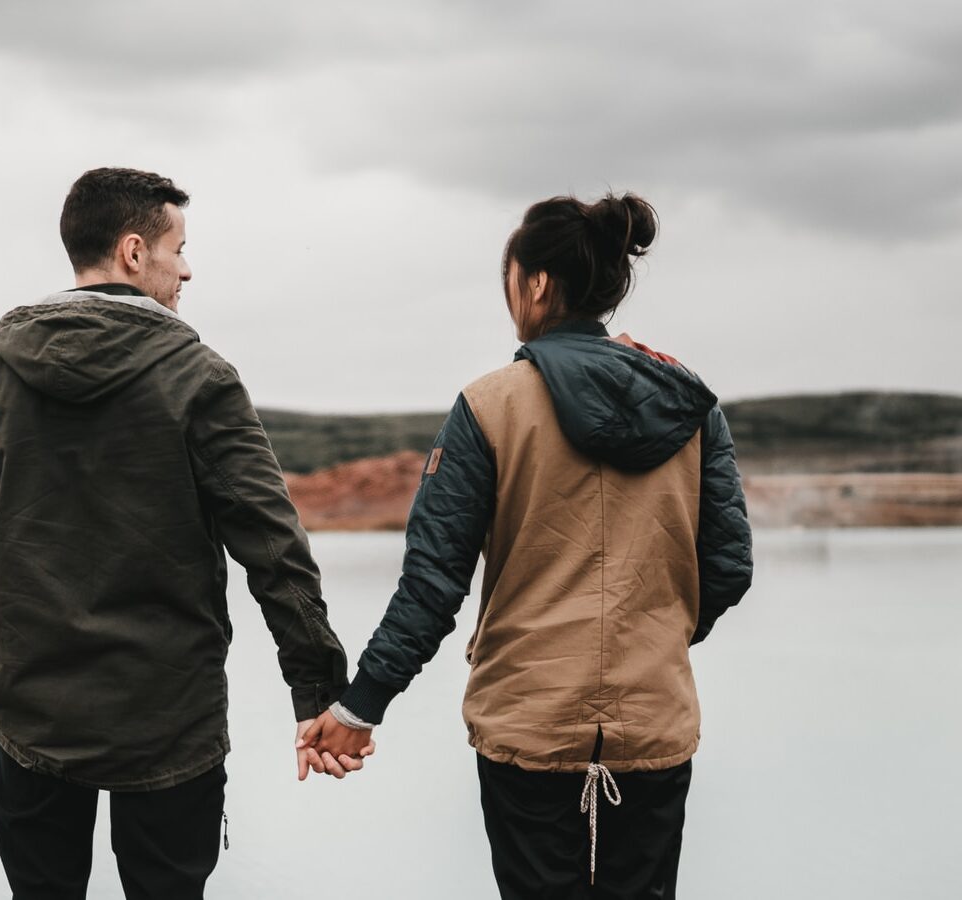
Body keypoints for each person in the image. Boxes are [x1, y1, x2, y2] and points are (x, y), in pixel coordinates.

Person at [0, 166, 366, 900]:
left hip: (31, 714)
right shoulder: (202, 378)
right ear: (132, 252)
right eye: (177, 249)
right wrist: (316, 690)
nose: (186, 269)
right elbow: (273, 548)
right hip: (171, 720)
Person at [300, 193, 753, 898]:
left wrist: (358, 709)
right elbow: (729, 566)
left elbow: (432, 585)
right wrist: (655, 637)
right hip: (653, 722)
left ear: (537, 283)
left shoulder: (488, 407)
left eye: (508, 277)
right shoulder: (690, 407)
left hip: (528, 725)